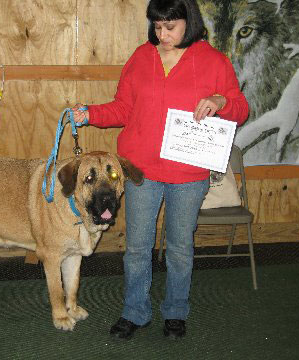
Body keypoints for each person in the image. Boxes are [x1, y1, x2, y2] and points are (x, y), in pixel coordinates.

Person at [71, 0, 249, 340]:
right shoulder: (141, 57)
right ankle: (135, 311)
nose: (162, 35)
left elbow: (240, 107)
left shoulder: (213, 61)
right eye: (157, 27)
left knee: (180, 246)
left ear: (189, 22)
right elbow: (123, 108)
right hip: (142, 171)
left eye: (170, 27)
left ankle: (176, 312)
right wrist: (90, 113)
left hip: (188, 173)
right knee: (138, 247)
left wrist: (220, 102)